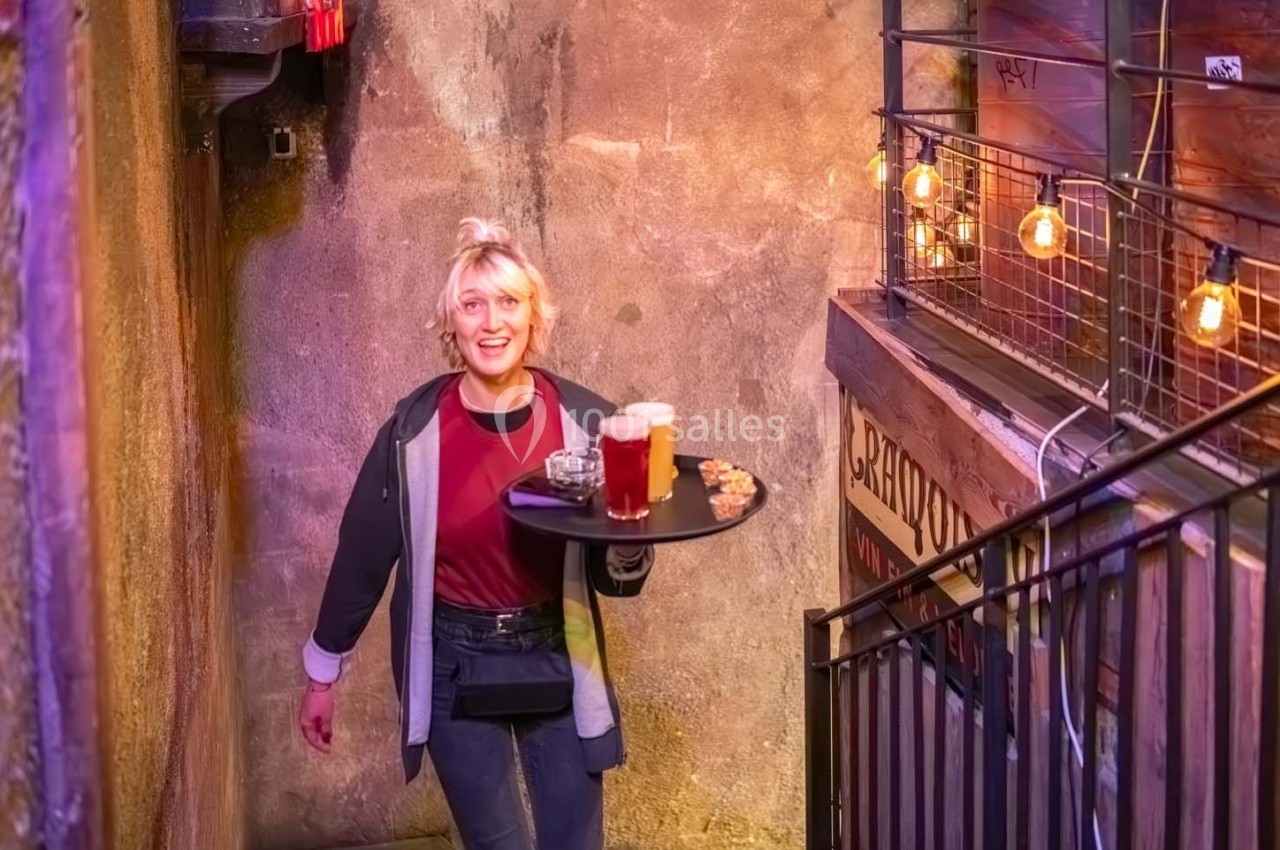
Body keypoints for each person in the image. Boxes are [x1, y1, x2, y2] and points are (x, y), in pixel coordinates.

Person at [297, 217, 655, 850]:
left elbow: (614, 575)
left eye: (509, 303)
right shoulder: (413, 431)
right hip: (453, 662)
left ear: (535, 317)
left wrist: (630, 538)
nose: (492, 322)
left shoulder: (586, 422)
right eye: (473, 305)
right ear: (451, 324)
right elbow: (362, 556)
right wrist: (323, 674)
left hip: (558, 648)